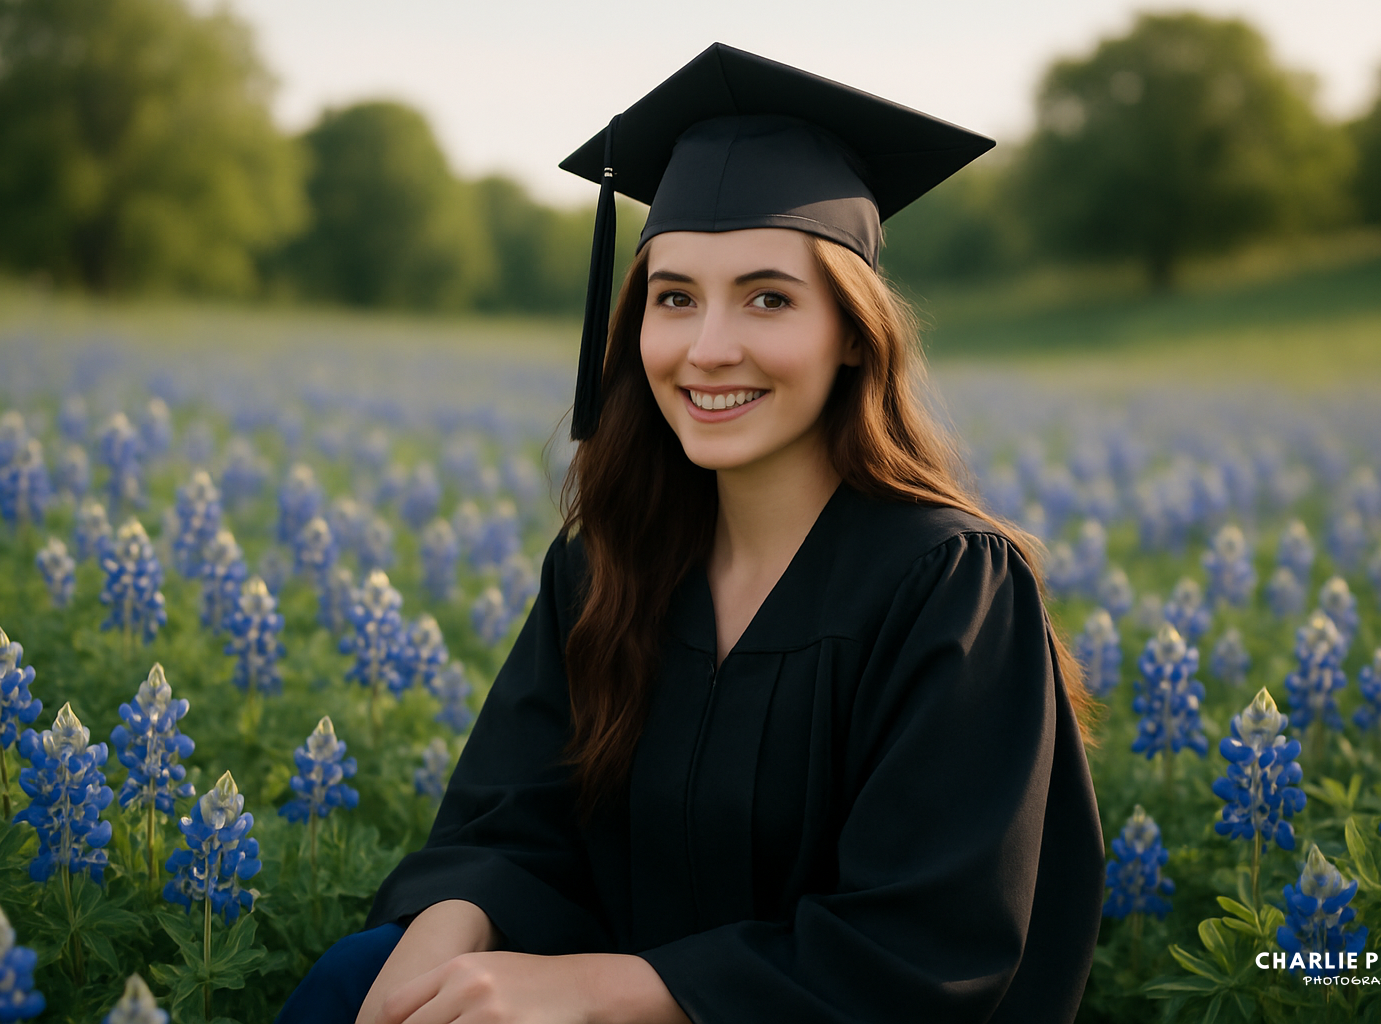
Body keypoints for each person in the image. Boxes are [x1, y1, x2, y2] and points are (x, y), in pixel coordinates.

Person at [277, 42, 1104, 1024]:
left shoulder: (950, 586)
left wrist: (590, 987)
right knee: (356, 977)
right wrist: (417, 964)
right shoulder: (603, 567)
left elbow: (923, 950)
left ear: (851, 330)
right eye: (675, 297)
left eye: (768, 297)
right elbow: (512, 822)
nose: (709, 349)